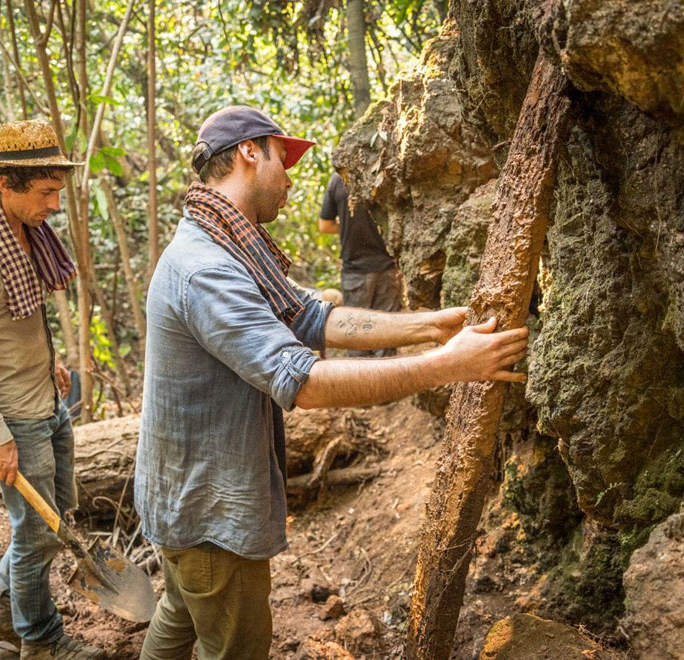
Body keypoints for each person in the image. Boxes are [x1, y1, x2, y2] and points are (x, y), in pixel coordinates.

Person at [134, 105, 528, 660]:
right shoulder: (208, 268)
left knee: (178, 619)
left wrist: (430, 327)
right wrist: (449, 366)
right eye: (283, 159)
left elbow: (312, 317)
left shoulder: (225, 243)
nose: (290, 179)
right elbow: (304, 382)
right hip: (208, 518)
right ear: (249, 153)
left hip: (184, 503)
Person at [0, 119, 103, 660]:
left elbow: (13, 323)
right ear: (6, 184)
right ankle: (40, 640)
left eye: (58, 190)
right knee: (35, 534)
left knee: (54, 517)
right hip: (13, 419)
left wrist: (50, 365)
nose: (56, 204)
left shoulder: (23, 232)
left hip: (46, 402)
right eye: (46, 192)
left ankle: (0, 610)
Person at [319, 171, 402, 357]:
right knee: (388, 336)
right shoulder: (386, 172)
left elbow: (325, 225)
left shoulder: (338, 179)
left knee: (356, 337)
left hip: (355, 269)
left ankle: (362, 376)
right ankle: (387, 376)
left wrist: (347, 227)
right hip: (387, 265)